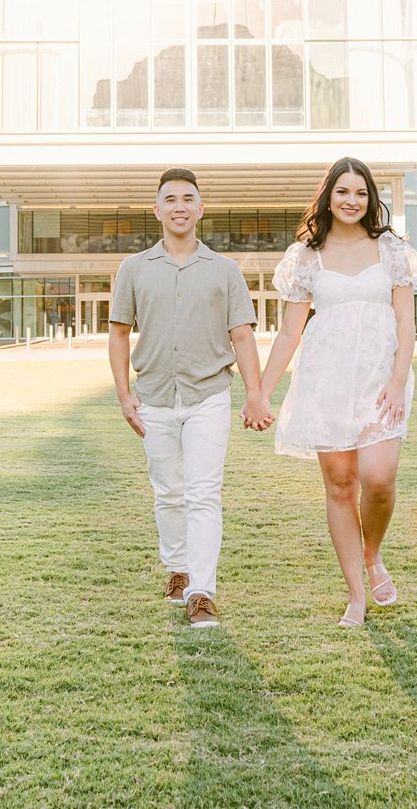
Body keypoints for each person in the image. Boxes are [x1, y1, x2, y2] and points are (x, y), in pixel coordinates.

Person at [247, 157, 417, 628]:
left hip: (380, 380)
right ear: (329, 196)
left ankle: (372, 555)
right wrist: (261, 393)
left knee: (379, 478)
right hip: (325, 381)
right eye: (343, 191)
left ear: (371, 199)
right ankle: (356, 594)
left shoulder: (391, 250)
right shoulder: (306, 257)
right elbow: (290, 333)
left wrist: (397, 380)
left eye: (361, 193)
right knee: (341, 484)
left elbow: (405, 322)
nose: (352, 201)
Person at [109, 168, 273, 629]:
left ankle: (201, 591)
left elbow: (242, 336)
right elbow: (119, 333)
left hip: (209, 397)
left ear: (200, 209)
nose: (179, 207)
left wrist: (255, 395)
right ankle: (177, 570)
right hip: (155, 398)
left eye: (187, 199)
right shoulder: (134, 269)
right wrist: (124, 395)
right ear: (157, 210)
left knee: (203, 494)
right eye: (170, 199)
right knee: (168, 492)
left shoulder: (225, 270)